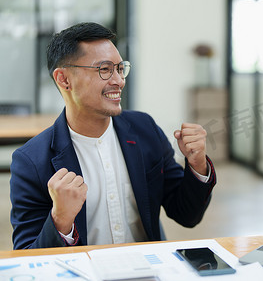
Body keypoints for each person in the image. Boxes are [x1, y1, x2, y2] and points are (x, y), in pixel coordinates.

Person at [9, 22, 217, 249]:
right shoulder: (31, 161)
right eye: (104, 69)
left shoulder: (144, 129)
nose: (118, 80)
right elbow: (27, 255)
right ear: (64, 79)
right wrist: (60, 220)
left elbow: (186, 214)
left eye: (120, 68)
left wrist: (197, 165)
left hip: (149, 266)